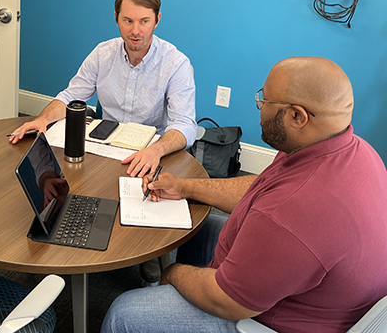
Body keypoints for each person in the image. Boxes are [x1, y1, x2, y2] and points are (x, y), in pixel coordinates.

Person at [101, 56, 387, 333]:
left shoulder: (293, 210)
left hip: (260, 319)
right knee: (200, 228)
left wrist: (173, 274)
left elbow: (226, 300)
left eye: (265, 100)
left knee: (124, 314)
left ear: (297, 116)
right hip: (314, 291)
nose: (259, 106)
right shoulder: (355, 151)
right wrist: (184, 187)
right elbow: (260, 189)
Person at [10, 0, 197, 179]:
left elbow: (185, 124)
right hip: (104, 149)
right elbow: (71, 96)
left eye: (144, 21)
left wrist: (157, 150)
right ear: (116, 19)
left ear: (157, 20)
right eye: (128, 21)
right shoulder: (102, 54)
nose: (135, 31)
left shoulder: (176, 63)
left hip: (152, 152)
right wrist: (42, 119)